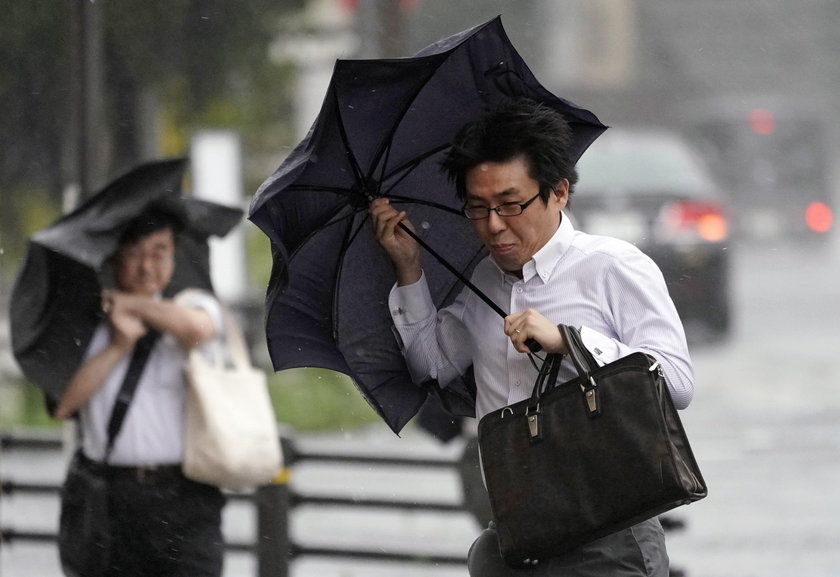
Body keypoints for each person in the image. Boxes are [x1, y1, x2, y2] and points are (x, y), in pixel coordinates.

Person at [370, 98, 695, 576]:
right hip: (515, 534)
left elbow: (676, 382)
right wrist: (409, 270)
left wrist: (570, 341)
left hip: (607, 532)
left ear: (559, 192)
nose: (494, 225)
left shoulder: (611, 267)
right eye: (477, 208)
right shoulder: (483, 278)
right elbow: (432, 365)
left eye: (510, 204)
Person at [53, 208, 227, 577]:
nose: (147, 266)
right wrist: (116, 347)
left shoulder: (194, 304)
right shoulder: (84, 324)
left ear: (173, 255)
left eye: (159, 252)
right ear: (114, 256)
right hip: (107, 497)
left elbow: (197, 330)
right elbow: (62, 404)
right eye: (135, 254)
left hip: (186, 494)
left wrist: (128, 304)